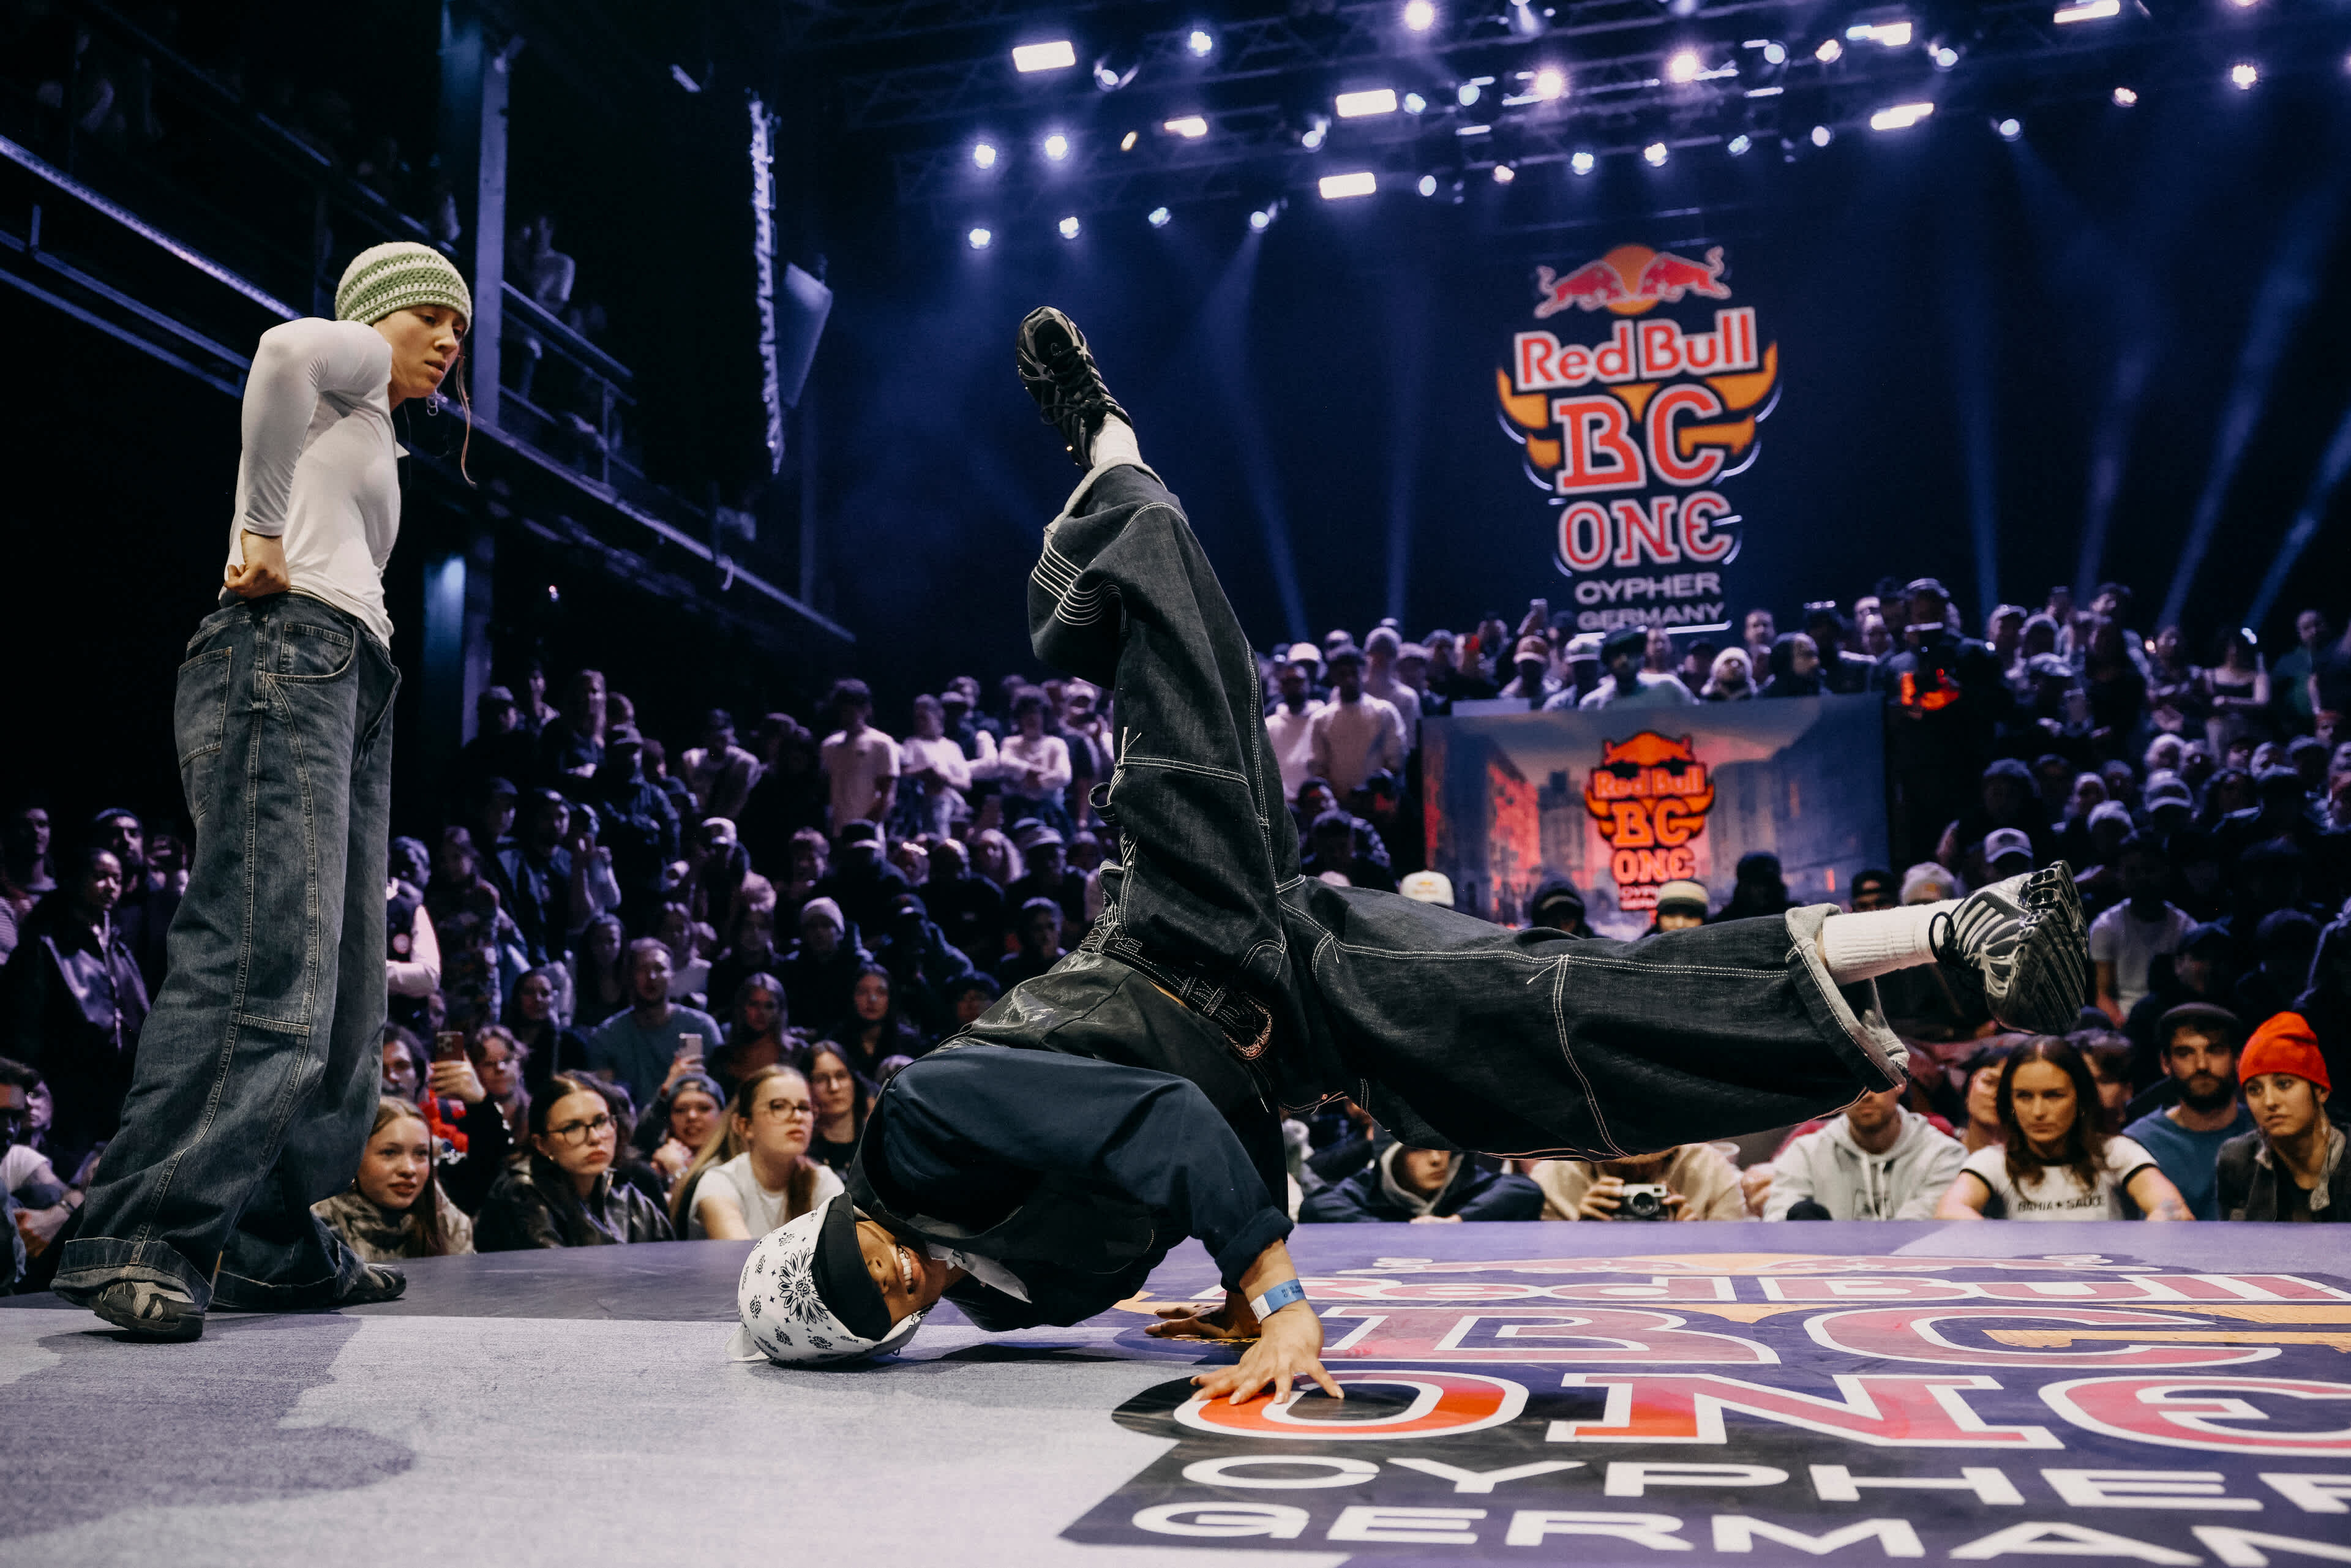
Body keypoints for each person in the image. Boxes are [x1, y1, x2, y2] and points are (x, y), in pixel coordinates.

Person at [740, 307, 2088, 1389]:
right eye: (880, 1310)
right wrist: (1236, 1295)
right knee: (1564, 1023)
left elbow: (1156, 1118)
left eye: (862, 1264)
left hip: (1178, 931)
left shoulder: (916, 1134)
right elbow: (1180, 1154)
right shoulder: (1006, 1295)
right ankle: (1954, 944)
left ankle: (1104, 452)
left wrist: (1277, 1294)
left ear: (835, 1222)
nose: (896, 1279)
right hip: (1307, 1021)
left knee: (1185, 652)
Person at [53, 244, 469, 1339]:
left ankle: (270, 1239)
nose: (448, 341)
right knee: (260, 954)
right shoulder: (355, 365)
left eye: (460, 329)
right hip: (288, 650)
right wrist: (262, 530)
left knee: (344, 995)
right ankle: (139, 1231)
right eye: (430, 315)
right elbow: (282, 350)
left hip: (349, 677)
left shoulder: (373, 429)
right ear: (377, 313)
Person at [1, 846, 149, 1180]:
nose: (110, 886)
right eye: (100, 876)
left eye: (117, 879)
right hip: (68, 1095)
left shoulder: (118, 947)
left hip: (118, 1094)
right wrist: (32, 1091)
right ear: (76, 880)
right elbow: (23, 1032)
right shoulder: (46, 946)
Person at [1937, 1035, 2189, 1220]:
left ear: (2081, 1099)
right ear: (2010, 1102)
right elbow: (1950, 1212)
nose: (2038, 1112)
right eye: (2024, 1096)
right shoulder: (1992, 1161)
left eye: (2054, 1095)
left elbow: (2173, 1209)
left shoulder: (2117, 1152)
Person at [473, 1074, 673, 1249]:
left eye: (601, 1121)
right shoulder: (521, 1193)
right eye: (572, 1128)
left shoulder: (623, 1190)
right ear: (542, 1144)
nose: (595, 1137)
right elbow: (562, 1277)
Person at [2121, 1003, 2255, 1221]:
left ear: (2237, 1059)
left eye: (2215, 1051)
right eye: (2185, 1053)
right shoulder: (2138, 1143)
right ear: (2166, 1063)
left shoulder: (2266, 1131)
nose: (2202, 1065)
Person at [677, 1064, 844, 1239]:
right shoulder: (718, 1182)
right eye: (778, 1106)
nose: (798, 1117)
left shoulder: (822, 1179)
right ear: (745, 1126)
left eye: (804, 1107)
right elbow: (741, 1255)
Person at [1764, 1086, 1965, 1220]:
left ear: (1899, 1083)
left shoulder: (1944, 1155)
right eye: (1854, 1084)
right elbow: (1779, 1221)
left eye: (1876, 1081)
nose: (1865, 1095)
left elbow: (1928, 1231)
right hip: (1823, 1268)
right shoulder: (1805, 1153)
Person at [311, 1098, 474, 1261]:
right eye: (390, 1153)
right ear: (355, 1159)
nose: (409, 1169)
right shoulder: (316, 1229)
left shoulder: (450, 1225)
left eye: (421, 1154)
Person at [2219, 1013, 2345, 1221]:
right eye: (2254, 1090)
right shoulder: (2237, 1160)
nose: (2269, 1102)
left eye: (2284, 1084)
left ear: (2321, 1090)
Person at [584, 939, 724, 1111]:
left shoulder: (702, 1027)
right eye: (642, 969)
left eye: (659, 969)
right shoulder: (607, 1037)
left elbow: (719, 1094)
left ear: (672, 977)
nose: (651, 977)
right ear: (629, 977)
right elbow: (607, 1105)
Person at [1299, 1142, 1543, 1223]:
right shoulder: (1369, 1187)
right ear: (1393, 1158)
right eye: (1419, 1149)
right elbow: (1317, 1206)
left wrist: (1457, 1221)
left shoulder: (1465, 1181)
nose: (1437, 1159)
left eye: (1444, 1147)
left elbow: (1525, 1190)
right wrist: (1402, 1232)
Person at [2090, 836, 2193, 1024]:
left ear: (2166, 872)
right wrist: (2125, 1029)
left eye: (2149, 870)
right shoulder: (2106, 926)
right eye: (2132, 871)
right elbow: (2103, 995)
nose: (2142, 878)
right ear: (2120, 876)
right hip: (2124, 1021)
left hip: (2174, 1018)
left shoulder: (2186, 927)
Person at [1528, 1144, 1747, 1220]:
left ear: (1675, 1153)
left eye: (1654, 1163)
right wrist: (1577, 1237)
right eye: (1620, 1164)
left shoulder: (1711, 1170)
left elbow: (1736, 1261)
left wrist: (1700, 1243)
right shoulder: (1552, 1178)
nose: (1638, 1174)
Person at [1307, 645, 1407, 800]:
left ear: (1363, 672)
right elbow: (1317, 766)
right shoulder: (1321, 719)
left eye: (1354, 673)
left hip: (1378, 801)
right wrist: (1339, 796)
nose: (1349, 680)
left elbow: (1396, 760)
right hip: (1338, 803)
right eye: (1343, 674)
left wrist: (1372, 792)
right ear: (1334, 677)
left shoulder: (1384, 712)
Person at [825, 965, 927, 1079]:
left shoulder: (910, 1042)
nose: (872, 999)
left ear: (890, 998)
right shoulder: (836, 1041)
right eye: (863, 992)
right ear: (852, 996)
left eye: (881, 992)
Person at [1565, 624, 1697, 711]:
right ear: (1607, 661)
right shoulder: (1593, 704)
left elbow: (1699, 721)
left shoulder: (1669, 688)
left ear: (1641, 656)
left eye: (1630, 652)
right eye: (1617, 654)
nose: (1624, 660)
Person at [803, 1043, 870, 1171]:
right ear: (808, 1086)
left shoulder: (877, 1142)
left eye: (841, 1076)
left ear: (854, 1081)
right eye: (821, 1079)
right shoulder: (801, 1152)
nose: (834, 1087)